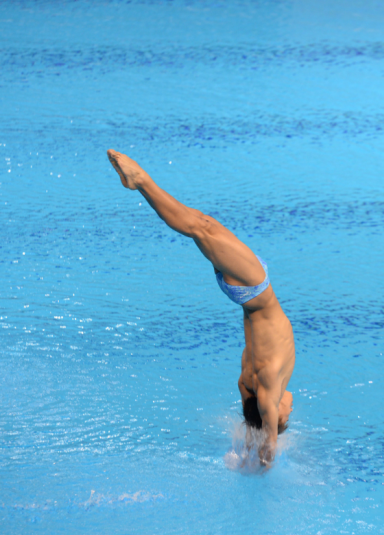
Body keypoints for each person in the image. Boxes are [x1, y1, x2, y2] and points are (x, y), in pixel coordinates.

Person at [107, 150, 295, 466]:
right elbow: (256, 417)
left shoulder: (269, 385)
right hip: (247, 297)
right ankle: (139, 182)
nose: (292, 408)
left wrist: (269, 446)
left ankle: (139, 181)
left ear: (274, 413)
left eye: (286, 415)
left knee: (200, 227)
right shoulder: (247, 383)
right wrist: (251, 445)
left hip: (257, 293)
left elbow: (266, 417)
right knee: (201, 224)